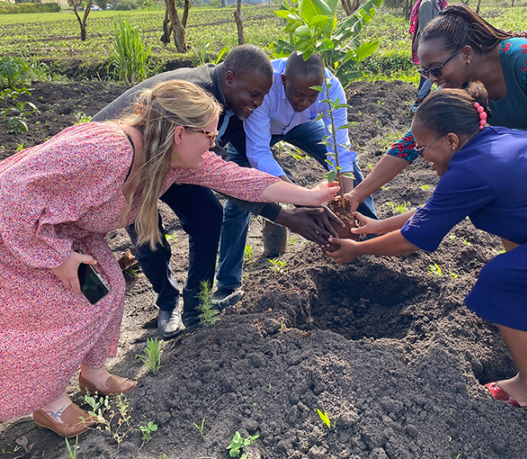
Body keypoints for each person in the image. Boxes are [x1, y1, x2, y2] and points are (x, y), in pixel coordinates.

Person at [0, 80, 338, 435]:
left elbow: (242, 181)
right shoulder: (107, 151)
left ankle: (94, 375)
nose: (215, 143)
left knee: (108, 291)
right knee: (73, 308)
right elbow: (8, 192)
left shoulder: (173, 161)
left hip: (67, 233)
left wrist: (308, 195)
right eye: (209, 135)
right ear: (180, 134)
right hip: (23, 235)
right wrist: (57, 258)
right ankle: (49, 404)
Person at [327, 83, 527, 415]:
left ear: (451, 140)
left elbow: (413, 240)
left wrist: (356, 250)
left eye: (423, 148)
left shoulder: (472, 169)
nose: (421, 157)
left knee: (504, 280)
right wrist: (374, 227)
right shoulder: (492, 143)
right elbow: (439, 209)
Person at [93, 45, 341, 338]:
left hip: (179, 163)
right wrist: (289, 215)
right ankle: (167, 301)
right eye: (254, 95)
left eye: (262, 96)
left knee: (209, 216)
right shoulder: (197, 97)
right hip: (131, 165)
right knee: (148, 233)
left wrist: (294, 208)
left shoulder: (235, 107)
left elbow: (234, 178)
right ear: (230, 78)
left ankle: (196, 307)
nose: (259, 104)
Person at [346, 3, 527, 213]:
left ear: (466, 53)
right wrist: (357, 194)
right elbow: (412, 141)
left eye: (436, 69)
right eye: (425, 72)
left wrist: (521, 167)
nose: (432, 79)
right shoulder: (458, 86)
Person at [215, 53, 378, 293]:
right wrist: (300, 199)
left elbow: (340, 150)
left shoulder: (331, 88)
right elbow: (259, 152)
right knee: (241, 195)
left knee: (351, 170)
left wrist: (347, 203)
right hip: (258, 132)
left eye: (312, 97)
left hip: (302, 126)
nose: (303, 103)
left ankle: (373, 238)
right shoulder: (265, 88)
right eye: (298, 95)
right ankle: (227, 284)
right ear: (284, 81)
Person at [409, 0, 450, 109]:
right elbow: (427, 28)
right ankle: (419, 103)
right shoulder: (427, 3)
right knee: (428, 74)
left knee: (430, 74)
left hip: (433, 45)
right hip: (428, 46)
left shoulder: (436, 1)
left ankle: (421, 102)